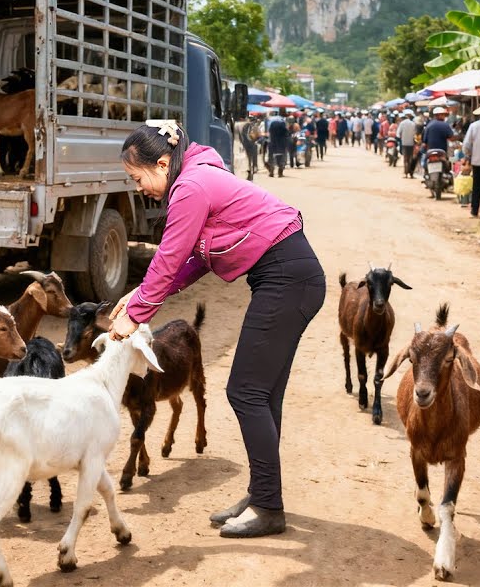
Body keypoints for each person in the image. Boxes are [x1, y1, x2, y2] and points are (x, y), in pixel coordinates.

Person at [109, 120, 325, 538]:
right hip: (288, 277)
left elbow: (169, 258)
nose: (138, 188)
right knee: (263, 394)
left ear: (163, 162)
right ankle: (264, 494)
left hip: (287, 278)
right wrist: (138, 295)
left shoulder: (190, 187)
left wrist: (134, 315)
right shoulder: (198, 177)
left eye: (137, 178)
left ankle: (267, 506)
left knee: (245, 391)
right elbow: (194, 260)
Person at [396, 114, 417, 178]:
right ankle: (411, 173)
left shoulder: (402, 123)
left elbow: (398, 134)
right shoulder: (413, 124)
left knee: (405, 159)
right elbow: (415, 134)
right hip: (412, 143)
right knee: (411, 158)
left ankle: (405, 173)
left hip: (404, 143)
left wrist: (401, 138)